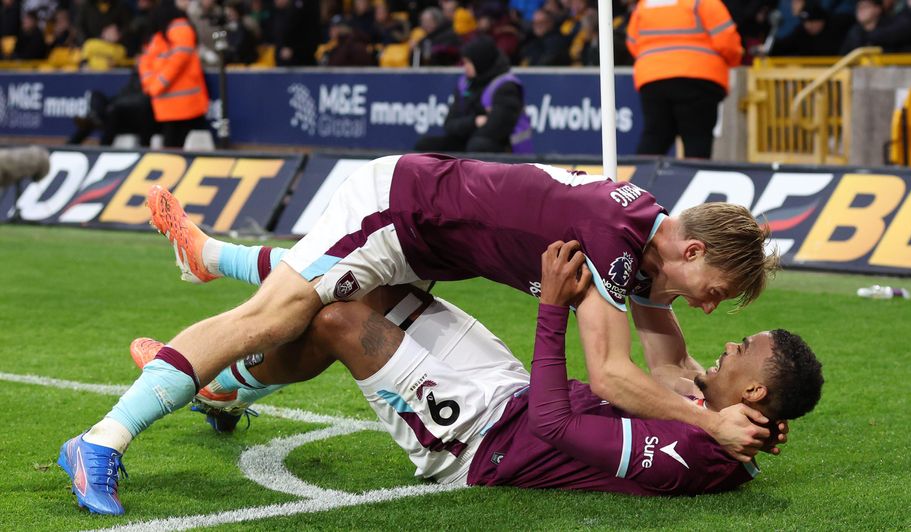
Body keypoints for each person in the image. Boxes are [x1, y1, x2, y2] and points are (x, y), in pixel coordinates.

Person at [60, 154, 781, 514]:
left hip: (425, 245)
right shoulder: (612, 239)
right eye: (714, 293)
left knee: (331, 307)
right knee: (275, 317)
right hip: (399, 210)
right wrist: (707, 422)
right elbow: (611, 377)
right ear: (693, 251)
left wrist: (721, 403)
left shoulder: (644, 240)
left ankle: (216, 317)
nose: (708, 308)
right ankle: (100, 441)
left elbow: (668, 361)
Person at [627, 0, 742, 159]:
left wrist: (655, 61)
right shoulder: (703, 2)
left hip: (653, 78)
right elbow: (727, 42)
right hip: (698, 77)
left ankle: (640, 174)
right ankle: (694, 174)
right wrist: (734, 60)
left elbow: (632, 42)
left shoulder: (647, 4)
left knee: (655, 137)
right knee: (697, 139)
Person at [414, 36, 531, 153]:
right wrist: (474, 122)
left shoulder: (506, 86)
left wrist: (467, 127)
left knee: (477, 145)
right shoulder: (465, 84)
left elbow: (496, 129)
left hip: (504, 148)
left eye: (468, 63)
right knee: (426, 145)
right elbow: (449, 125)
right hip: (469, 139)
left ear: (480, 61)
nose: (465, 67)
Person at [138, 0, 210, 148]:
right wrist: (155, 85)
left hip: (180, 106)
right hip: (176, 105)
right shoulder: (175, 27)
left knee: (175, 148)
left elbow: (178, 56)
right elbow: (147, 62)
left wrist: (154, 85)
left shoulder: (164, 32)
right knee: (174, 149)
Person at [770, 2, 849, 56]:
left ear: (822, 21)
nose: (808, 26)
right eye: (805, 22)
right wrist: (769, 47)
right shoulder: (801, 32)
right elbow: (783, 46)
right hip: (808, 73)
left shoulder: (837, 26)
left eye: (812, 22)